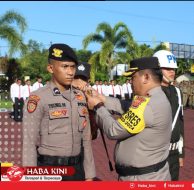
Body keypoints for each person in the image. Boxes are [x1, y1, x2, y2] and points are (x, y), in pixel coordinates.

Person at [85, 57, 172, 181]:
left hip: (142, 178)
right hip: (152, 174)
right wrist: (102, 98)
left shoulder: (148, 105)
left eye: (133, 78)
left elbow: (114, 130)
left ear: (146, 77)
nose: (131, 82)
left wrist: (98, 107)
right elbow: (128, 106)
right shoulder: (158, 96)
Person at [22, 43, 96, 181]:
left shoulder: (80, 97)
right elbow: (29, 143)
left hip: (77, 170)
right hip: (50, 170)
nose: (70, 72)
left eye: (72, 67)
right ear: (50, 68)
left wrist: (89, 175)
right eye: (65, 66)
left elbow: (86, 140)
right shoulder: (38, 98)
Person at [153, 50, 184, 181]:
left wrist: (181, 153)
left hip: (174, 153)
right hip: (156, 153)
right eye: (168, 68)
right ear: (158, 69)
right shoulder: (151, 92)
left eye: (174, 68)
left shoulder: (177, 92)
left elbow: (180, 123)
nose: (172, 71)